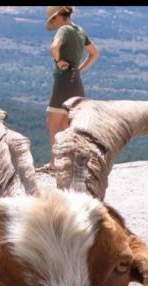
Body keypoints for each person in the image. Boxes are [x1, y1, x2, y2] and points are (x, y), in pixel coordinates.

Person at [41, 6, 99, 169]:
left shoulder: (64, 30)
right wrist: (80, 69)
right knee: (67, 125)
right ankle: (70, 161)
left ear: (59, 15)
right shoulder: (79, 30)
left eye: (54, 18)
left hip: (63, 81)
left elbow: (54, 47)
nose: (54, 22)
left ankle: (55, 163)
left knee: (53, 124)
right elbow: (95, 53)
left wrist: (58, 61)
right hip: (76, 82)